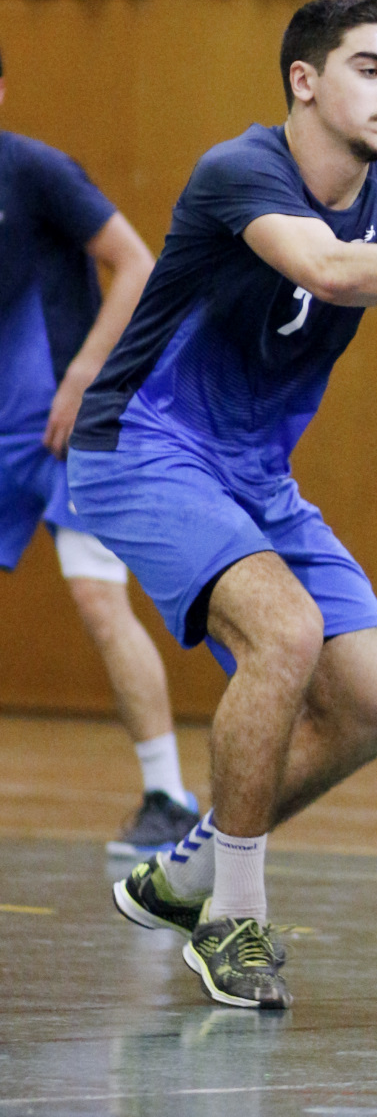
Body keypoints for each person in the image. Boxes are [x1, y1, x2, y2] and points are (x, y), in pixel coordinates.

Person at [68, 0, 377, 1011]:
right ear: (304, 80)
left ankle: (190, 872)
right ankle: (231, 919)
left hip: (256, 475)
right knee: (284, 634)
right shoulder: (239, 170)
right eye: (370, 68)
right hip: (142, 445)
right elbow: (325, 269)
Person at [0, 45, 200, 857]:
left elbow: (135, 264)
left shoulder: (36, 171)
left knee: (96, 598)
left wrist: (86, 373)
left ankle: (168, 797)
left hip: (63, 429)